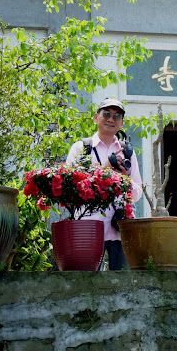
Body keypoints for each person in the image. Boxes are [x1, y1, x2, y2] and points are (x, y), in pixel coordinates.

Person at [66, 97, 143, 271]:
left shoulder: (127, 152)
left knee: (122, 281)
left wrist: (125, 179)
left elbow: (137, 194)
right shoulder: (81, 148)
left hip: (120, 227)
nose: (111, 119)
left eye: (117, 116)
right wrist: (103, 170)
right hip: (89, 226)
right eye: (106, 114)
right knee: (87, 279)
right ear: (96, 117)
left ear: (122, 123)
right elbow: (70, 189)